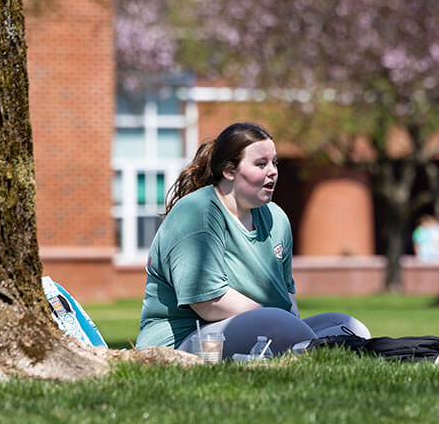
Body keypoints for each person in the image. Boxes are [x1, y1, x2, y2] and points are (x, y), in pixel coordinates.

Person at [135, 122, 368, 357]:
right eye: (261, 164)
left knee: (350, 326)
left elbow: (286, 294)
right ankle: (309, 348)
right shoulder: (197, 213)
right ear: (229, 171)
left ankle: (310, 347)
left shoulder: (277, 218)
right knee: (276, 321)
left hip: (265, 325)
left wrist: (289, 324)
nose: (273, 171)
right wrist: (277, 321)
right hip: (185, 341)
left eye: (274, 162)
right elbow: (208, 302)